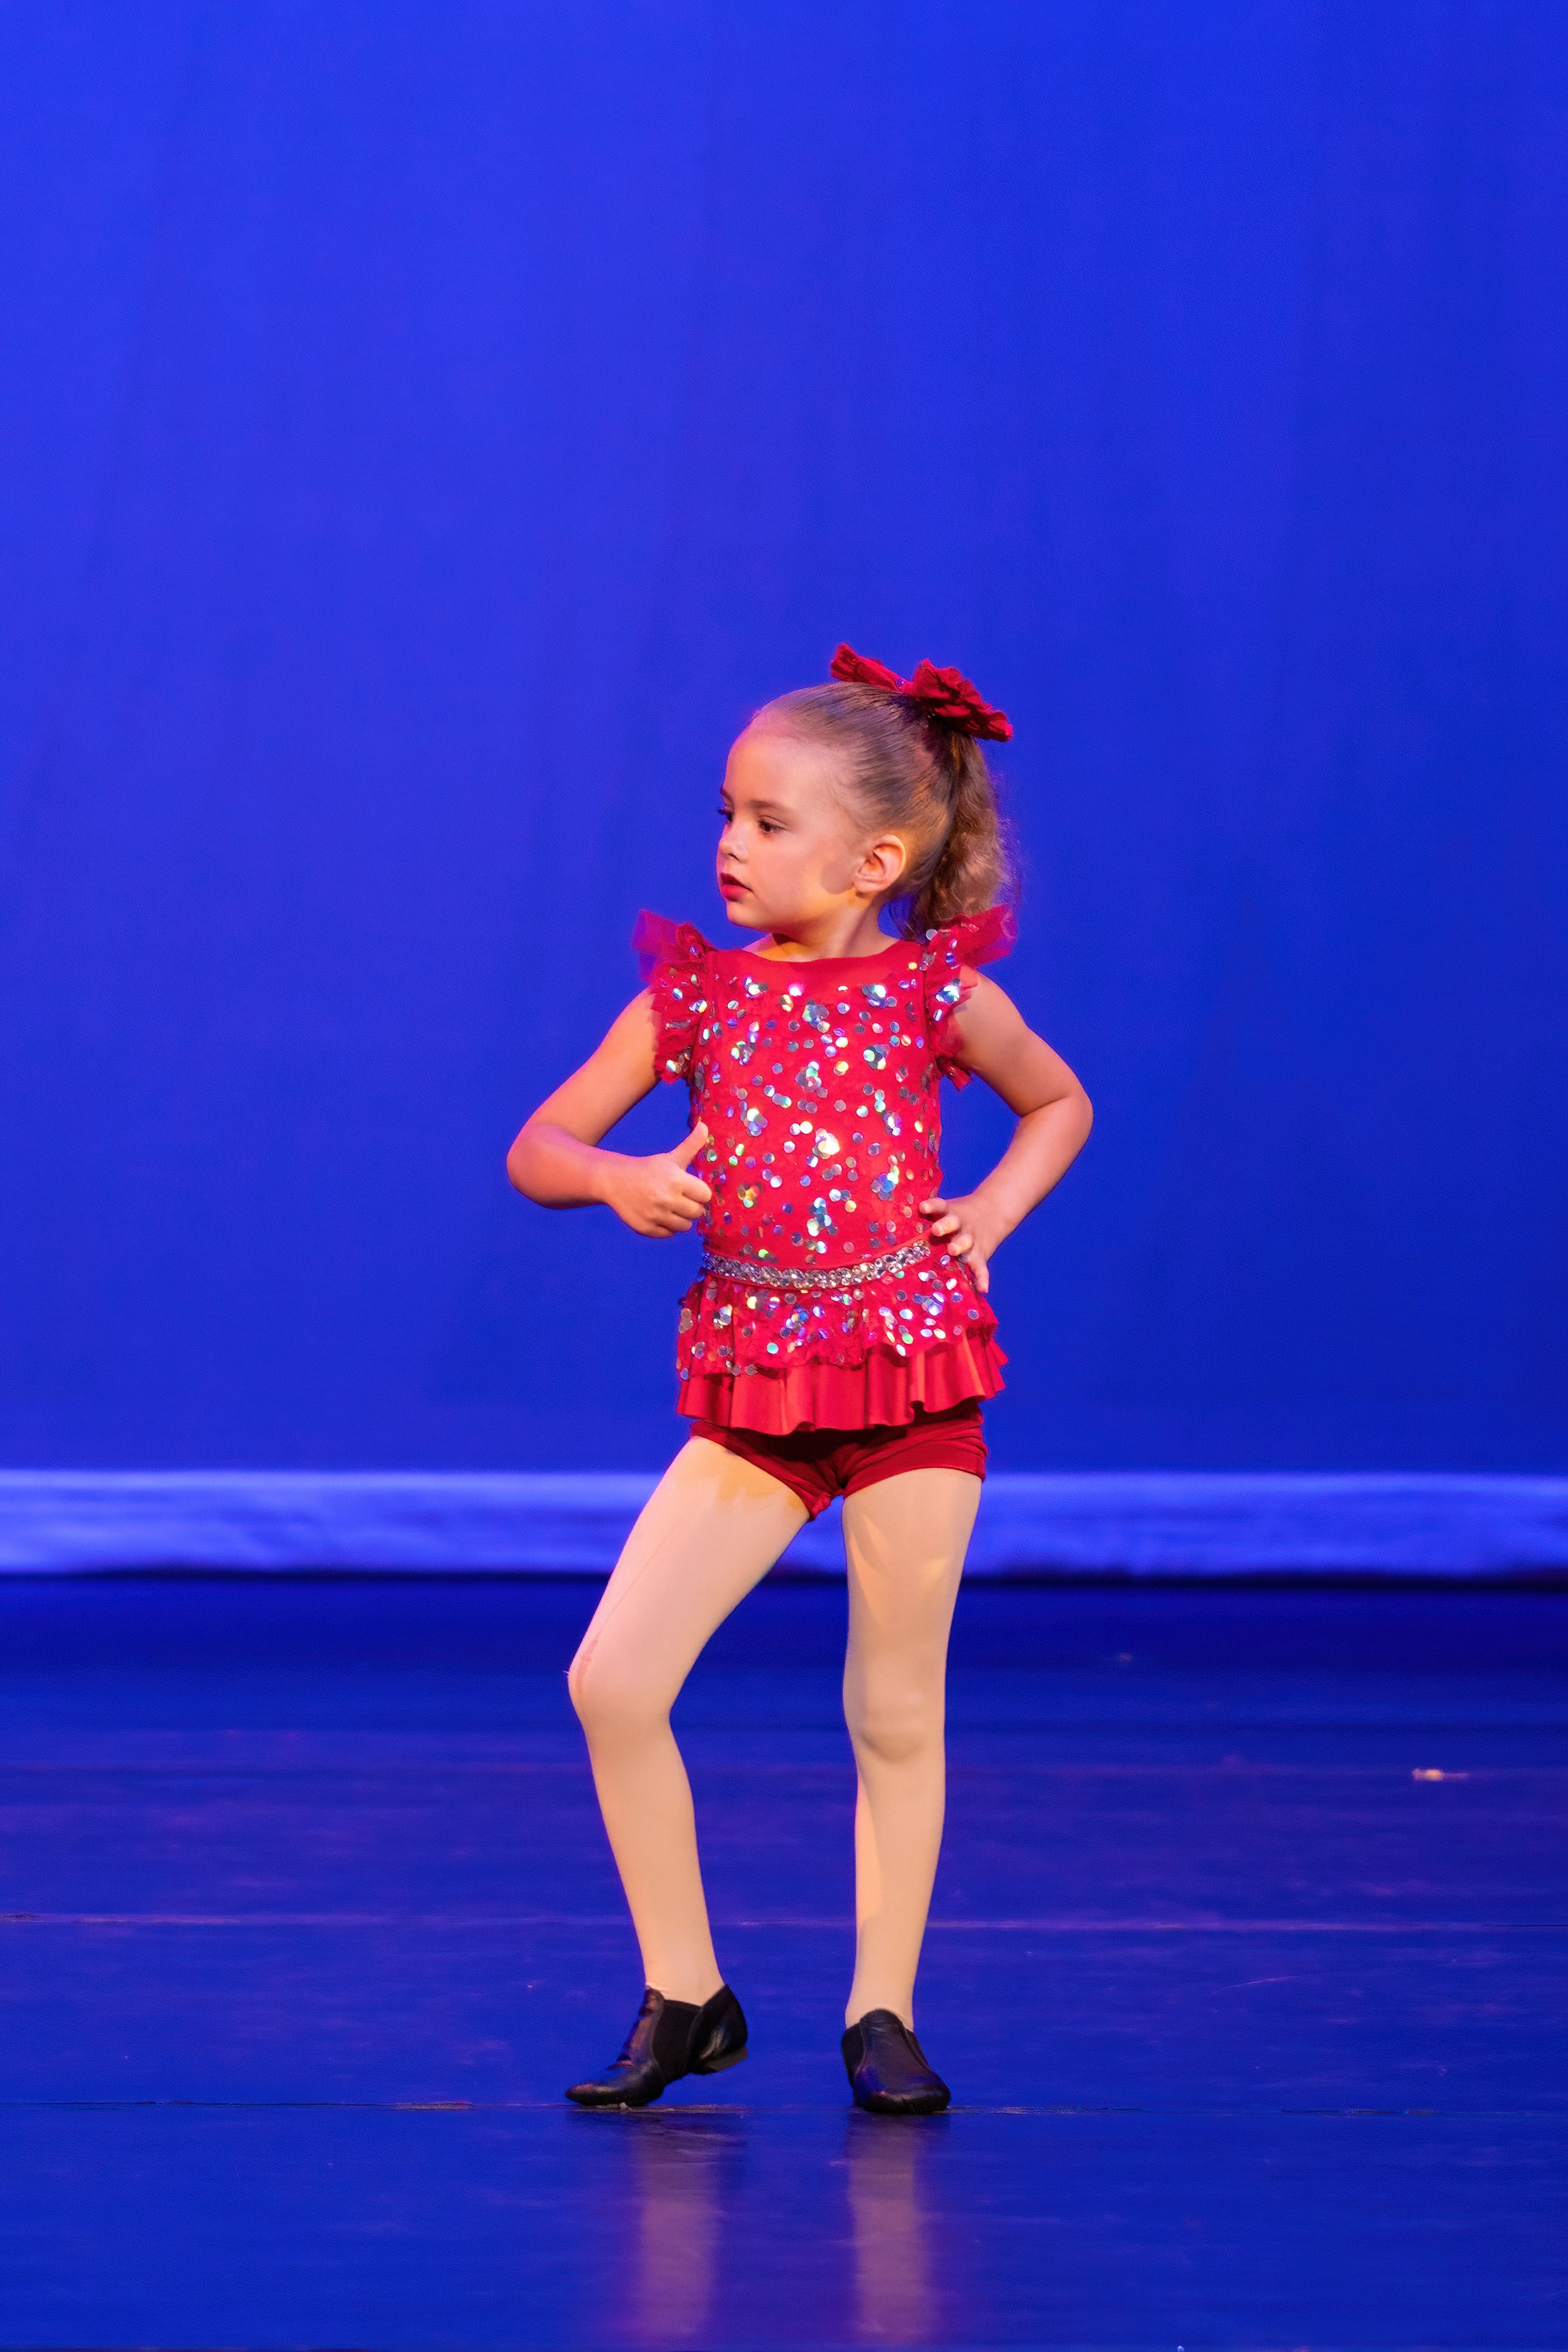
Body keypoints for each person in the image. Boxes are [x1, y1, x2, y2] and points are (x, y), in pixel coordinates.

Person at [507, 645, 1092, 2114]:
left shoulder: (930, 994)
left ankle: (880, 2006)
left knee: (892, 1703)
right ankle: (687, 1990)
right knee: (613, 1677)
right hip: (759, 1381)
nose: (728, 845)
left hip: (910, 1379)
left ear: (874, 857)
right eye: (725, 813)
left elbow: (1058, 1100)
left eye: (768, 822)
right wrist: (614, 1175)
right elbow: (539, 1145)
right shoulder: (695, 998)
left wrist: (997, 1210)